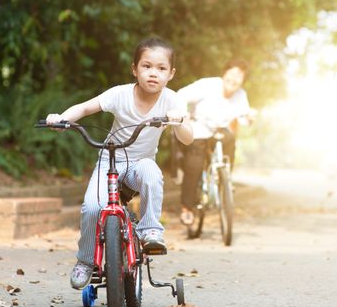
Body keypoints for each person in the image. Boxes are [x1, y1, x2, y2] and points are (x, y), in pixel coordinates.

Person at [45, 37, 194, 290]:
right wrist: (61, 119)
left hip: (140, 164)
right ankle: (85, 261)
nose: (153, 73)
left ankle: (151, 231)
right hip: (110, 161)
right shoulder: (119, 94)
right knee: (92, 208)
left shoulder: (172, 100)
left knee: (152, 172)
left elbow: (187, 139)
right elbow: (83, 108)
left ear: (171, 74)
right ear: (134, 69)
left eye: (161, 68)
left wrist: (179, 121)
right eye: (146, 66)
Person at [176, 59, 254, 225]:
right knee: (194, 164)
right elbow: (181, 94)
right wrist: (183, 115)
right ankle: (187, 209)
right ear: (224, 73)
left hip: (220, 131)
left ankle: (225, 180)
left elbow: (244, 116)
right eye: (232, 73)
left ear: (243, 80)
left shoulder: (241, 94)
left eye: (239, 76)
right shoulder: (208, 85)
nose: (234, 79)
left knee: (230, 140)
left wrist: (249, 117)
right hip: (199, 128)